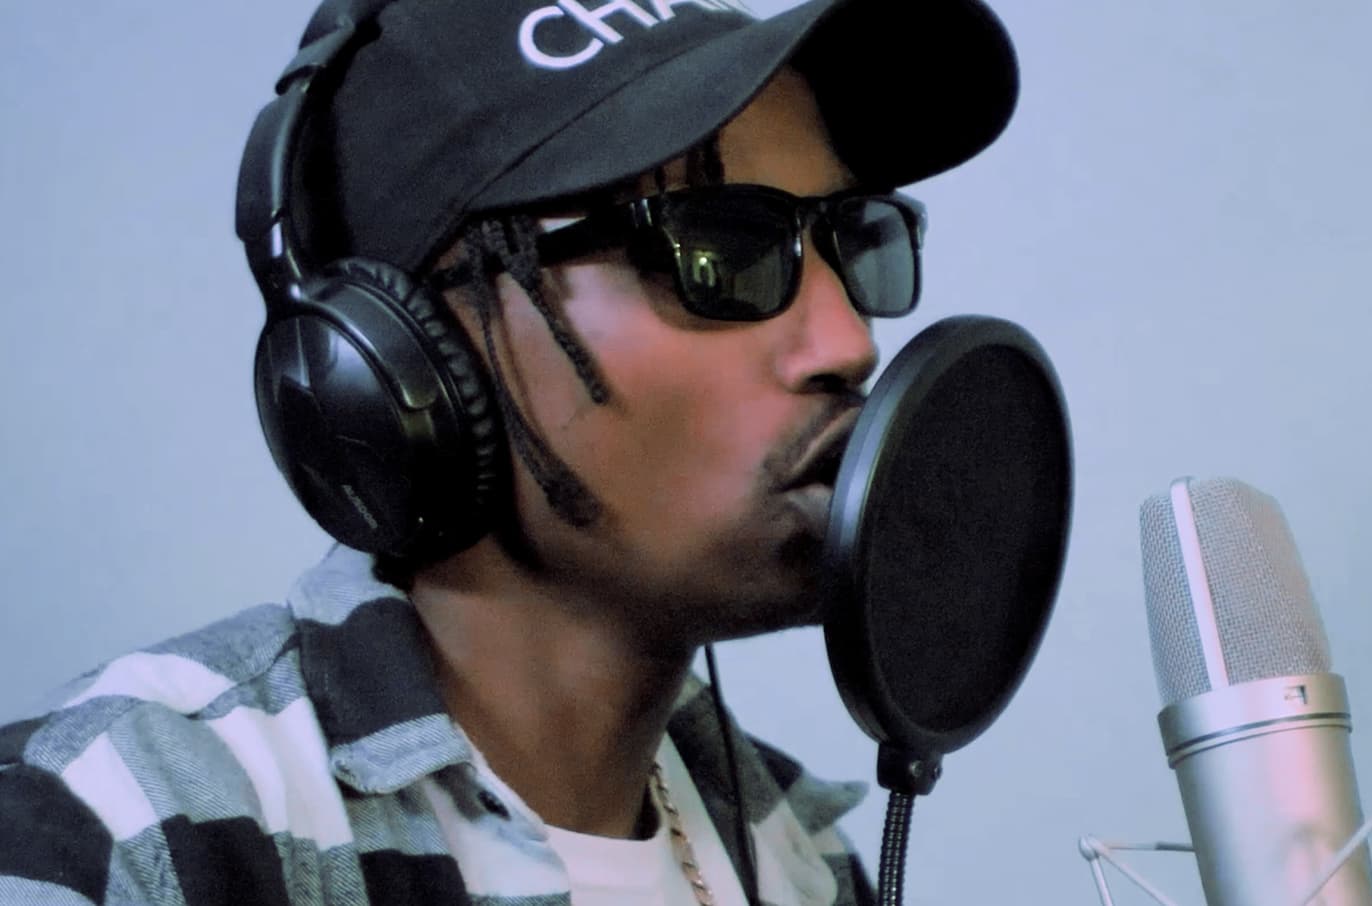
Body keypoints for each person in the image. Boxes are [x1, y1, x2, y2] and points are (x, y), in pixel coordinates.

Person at [0, 0, 1018, 902]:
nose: (849, 342)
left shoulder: (794, 852)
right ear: (404, 359)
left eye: (853, 238)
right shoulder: (119, 825)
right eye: (721, 247)